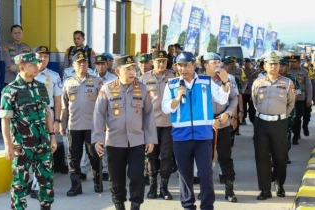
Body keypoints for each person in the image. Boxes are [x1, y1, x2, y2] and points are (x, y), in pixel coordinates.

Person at [93, 55, 157, 210]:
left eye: (133, 68)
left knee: (136, 175)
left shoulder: (141, 88)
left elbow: (149, 114)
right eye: (127, 69)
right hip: (114, 141)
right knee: (116, 178)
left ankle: (136, 205)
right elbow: (99, 114)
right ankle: (119, 204)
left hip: (137, 141)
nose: (132, 72)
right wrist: (98, 139)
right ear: (117, 71)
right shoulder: (107, 88)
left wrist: (150, 139)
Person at [162, 51, 220, 210]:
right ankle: (188, 206)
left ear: (194, 65)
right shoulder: (172, 84)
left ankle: (207, 206)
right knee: (185, 175)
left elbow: (221, 98)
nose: (183, 69)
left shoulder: (206, 82)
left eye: (186, 65)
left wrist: (226, 83)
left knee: (205, 173)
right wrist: (177, 98)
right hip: (181, 137)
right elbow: (165, 108)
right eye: (179, 65)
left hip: (203, 136)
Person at [0, 52, 57, 210]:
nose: (37, 67)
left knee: (47, 181)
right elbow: (5, 120)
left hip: (43, 143)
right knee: (20, 184)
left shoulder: (40, 87)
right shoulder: (10, 90)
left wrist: (52, 136)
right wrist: (8, 146)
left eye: (37, 63)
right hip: (21, 146)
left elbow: (47, 113)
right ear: (22, 67)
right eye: (33, 65)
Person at [251, 50, 295, 200]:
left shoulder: (287, 83)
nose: (274, 66)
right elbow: (255, 102)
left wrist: (281, 116)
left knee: (280, 157)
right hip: (261, 123)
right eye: (271, 64)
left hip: (279, 123)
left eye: (276, 64)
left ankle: (279, 183)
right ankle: (265, 189)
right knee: (261, 157)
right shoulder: (258, 82)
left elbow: (291, 104)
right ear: (265, 65)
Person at [60, 52, 102, 196]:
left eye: (84, 62)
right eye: (79, 63)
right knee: (73, 157)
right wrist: (62, 124)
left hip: (92, 126)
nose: (82, 65)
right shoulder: (68, 82)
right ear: (73, 65)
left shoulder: (96, 82)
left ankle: (98, 181)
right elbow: (64, 106)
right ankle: (75, 185)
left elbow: (102, 106)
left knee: (94, 155)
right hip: (74, 126)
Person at [27, 46, 63, 199]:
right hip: (28, 118)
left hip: (46, 116)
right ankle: (30, 182)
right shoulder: (27, 74)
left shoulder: (54, 76)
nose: (43, 59)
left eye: (46, 56)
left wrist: (57, 120)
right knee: (28, 152)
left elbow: (57, 99)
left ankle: (36, 185)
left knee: (42, 152)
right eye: (40, 56)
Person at [139, 50, 175, 200]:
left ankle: (164, 187)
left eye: (164, 61)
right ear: (152, 62)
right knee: (151, 155)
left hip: (168, 123)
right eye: (158, 61)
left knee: (166, 155)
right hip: (150, 123)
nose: (161, 64)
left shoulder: (173, 78)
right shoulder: (143, 79)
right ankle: (153, 186)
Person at [204, 52, 238, 202]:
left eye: (219, 62)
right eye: (213, 62)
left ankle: (229, 189)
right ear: (206, 65)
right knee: (205, 159)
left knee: (225, 157)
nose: (218, 65)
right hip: (205, 125)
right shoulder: (200, 80)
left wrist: (228, 114)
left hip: (223, 123)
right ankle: (206, 189)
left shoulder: (229, 79)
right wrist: (209, 120)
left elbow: (234, 99)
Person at [80, 55, 116, 181]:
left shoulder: (113, 79)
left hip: (108, 113)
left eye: (103, 64)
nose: (100, 66)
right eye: (98, 64)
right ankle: (83, 169)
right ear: (95, 65)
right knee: (89, 144)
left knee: (105, 142)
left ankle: (105, 169)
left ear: (107, 64)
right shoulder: (90, 77)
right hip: (91, 114)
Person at [279, 58, 300, 164]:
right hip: (275, 111)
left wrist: (288, 103)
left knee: (286, 134)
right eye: (280, 65)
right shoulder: (272, 78)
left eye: (283, 66)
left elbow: (297, 94)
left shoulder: (292, 79)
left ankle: (285, 154)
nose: (281, 68)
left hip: (288, 112)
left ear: (287, 67)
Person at [289, 55, 312, 144]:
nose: (292, 64)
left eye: (294, 62)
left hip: (300, 98)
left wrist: (309, 98)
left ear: (299, 63)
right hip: (289, 98)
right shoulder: (287, 71)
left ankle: (296, 136)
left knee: (298, 117)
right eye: (291, 62)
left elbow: (308, 86)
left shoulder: (304, 72)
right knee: (291, 118)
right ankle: (294, 133)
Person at [241, 58, 256, 124]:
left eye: (247, 62)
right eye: (245, 63)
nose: (246, 64)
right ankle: (243, 118)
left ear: (250, 63)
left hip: (251, 92)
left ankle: (252, 118)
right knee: (243, 105)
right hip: (244, 92)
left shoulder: (254, 71)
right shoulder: (241, 71)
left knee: (251, 106)